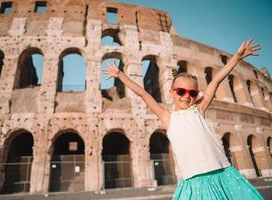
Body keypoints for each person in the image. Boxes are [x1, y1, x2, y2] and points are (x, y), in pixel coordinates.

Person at [102, 39, 264, 199]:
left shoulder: (199, 110)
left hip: (223, 173)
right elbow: (144, 94)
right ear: (172, 92)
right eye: (181, 91)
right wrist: (120, 75)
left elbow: (216, 80)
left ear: (196, 95)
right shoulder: (167, 117)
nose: (186, 96)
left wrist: (236, 57)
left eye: (192, 93)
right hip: (194, 181)